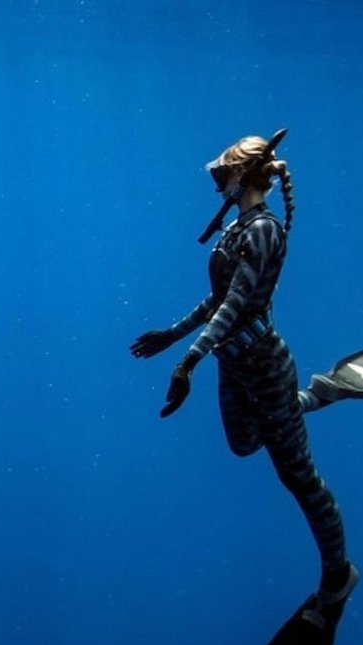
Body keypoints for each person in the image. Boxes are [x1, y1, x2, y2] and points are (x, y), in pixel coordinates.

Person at [130, 133, 358, 607]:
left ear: (242, 175)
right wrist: (172, 334)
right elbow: (217, 300)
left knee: (300, 479)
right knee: (244, 443)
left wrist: (189, 360)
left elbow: (234, 306)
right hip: (233, 363)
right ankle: (309, 398)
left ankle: (339, 576)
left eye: (223, 173)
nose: (217, 182)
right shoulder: (237, 228)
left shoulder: (263, 231)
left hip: (265, 365)